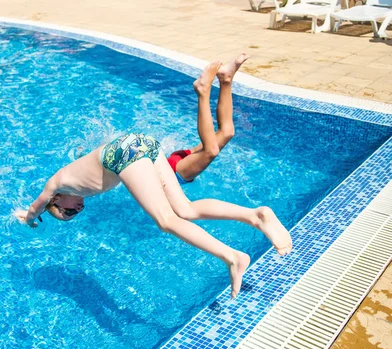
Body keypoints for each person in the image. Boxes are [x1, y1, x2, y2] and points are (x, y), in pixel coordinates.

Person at [15, 58, 292, 299]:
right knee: (185, 209)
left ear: (56, 200)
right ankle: (256, 215)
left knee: (166, 221)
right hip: (142, 144)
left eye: (66, 211)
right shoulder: (76, 188)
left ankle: (232, 257)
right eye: (74, 214)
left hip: (123, 153)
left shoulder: (56, 184)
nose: (76, 210)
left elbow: (35, 207)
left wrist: (27, 217)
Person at [168, 53, 250, 184]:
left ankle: (211, 86)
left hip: (174, 169)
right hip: (175, 167)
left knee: (212, 149)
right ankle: (224, 80)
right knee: (227, 133)